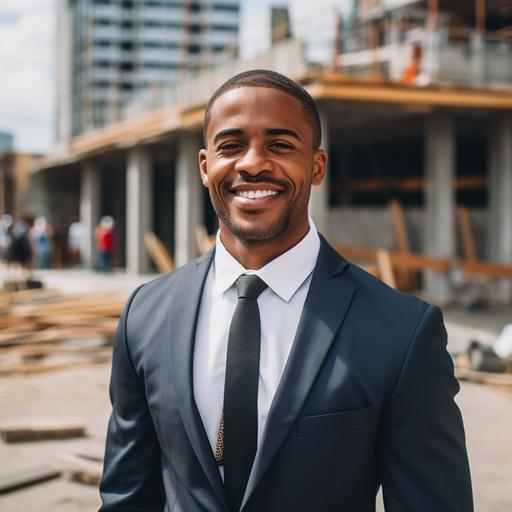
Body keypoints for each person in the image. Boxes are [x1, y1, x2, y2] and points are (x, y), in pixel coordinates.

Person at [100, 69, 473, 511]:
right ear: (205, 167)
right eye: (231, 145)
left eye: (279, 145)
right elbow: (126, 496)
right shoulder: (146, 314)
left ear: (316, 167)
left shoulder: (402, 332)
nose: (252, 163)